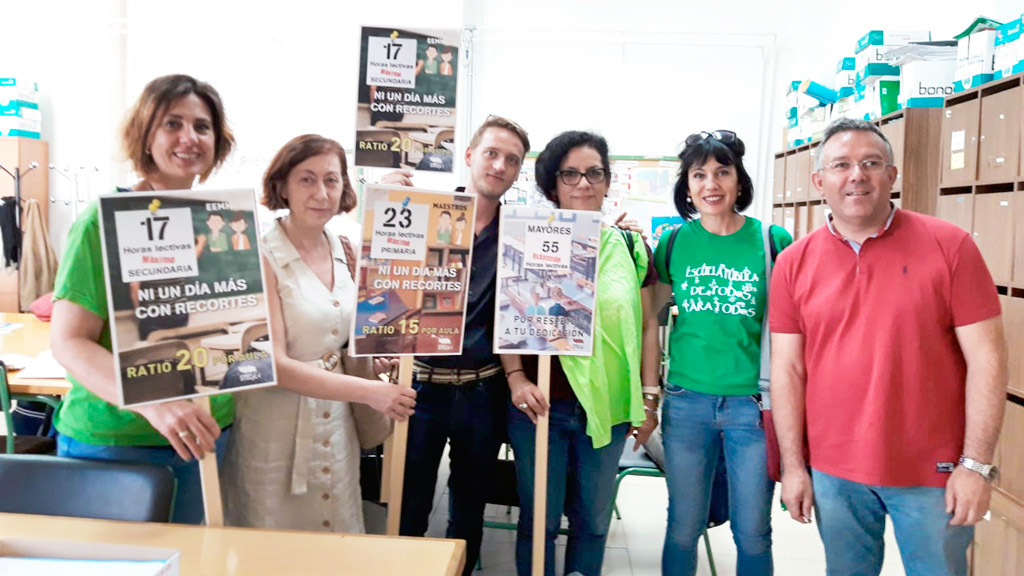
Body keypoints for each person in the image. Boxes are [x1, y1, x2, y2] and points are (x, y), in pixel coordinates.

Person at [770, 118, 1007, 576]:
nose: (856, 175)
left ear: (892, 176)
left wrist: (976, 466)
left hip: (933, 474)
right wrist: (795, 467)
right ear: (820, 181)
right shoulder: (794, 262)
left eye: (871, 163)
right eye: (841, 165)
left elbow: (988, 359)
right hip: (835, 472)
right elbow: (788, 369)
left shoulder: (949, 246)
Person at [50, 74, 236, 524]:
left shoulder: (223, 223)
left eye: (202, 126)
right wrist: (152, 403)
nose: (189, 138)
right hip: (116, 440)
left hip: (209, 431)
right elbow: (69, 342)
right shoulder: (101, 222)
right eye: (172, 124)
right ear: (145, 135)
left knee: (192, 564)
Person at [220, 134, 416, 532]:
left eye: (331, 180)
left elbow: (366, 325)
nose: (321, 192)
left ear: (345, 187)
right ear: (283, 186)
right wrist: (370, 392)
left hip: (337, 425)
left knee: (336, 533)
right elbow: (268, 363)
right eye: (307, 179)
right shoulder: (256, 255)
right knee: (273, 541)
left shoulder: (346, 250)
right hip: (273, 429)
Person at [502, 130, 660, 576]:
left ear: (608, 182)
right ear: (553, 185)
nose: (584, 183)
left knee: (592, 521)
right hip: (540, 406)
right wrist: (516, 378)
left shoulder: (629, 248)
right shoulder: (529, 239)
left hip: (607, 409)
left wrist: (649, 399)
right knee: (540, 523)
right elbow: (509, 319)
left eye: (594, 173)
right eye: (570, 174)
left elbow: (648, 327)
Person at [383, 115, 530, 576]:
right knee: (407, 512)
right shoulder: (426, 216)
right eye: (491, 153)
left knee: (468, 514)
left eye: (511, 160)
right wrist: (381, 197)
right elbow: (379, 273)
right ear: (468, 156)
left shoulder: (521, 232)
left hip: (482, 392)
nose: (499, 165)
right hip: (419, 387)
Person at [652, 130, 792, 576]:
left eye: (722, 172)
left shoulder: (771, 240)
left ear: (739, 181)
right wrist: (649, 392)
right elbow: (648, 320)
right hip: (686, 402)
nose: (711, 184)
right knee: (682, 527)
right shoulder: (673, 243)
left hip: (752, 407)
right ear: (687, 187)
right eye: (699, 175)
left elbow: (793, 328)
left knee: (753, 531)